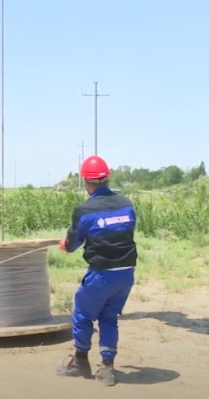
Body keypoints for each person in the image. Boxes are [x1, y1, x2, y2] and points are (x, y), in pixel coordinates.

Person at [55, 155, 137, 387]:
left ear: (86, 182)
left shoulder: (84, 210)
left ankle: (80, 362)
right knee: (109, 317)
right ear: (107, 178)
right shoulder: (126, 204)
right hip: (126, 274)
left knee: (82, 315)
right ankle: (107, 369)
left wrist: (65, 245)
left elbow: (72, 244)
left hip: (102, 274)